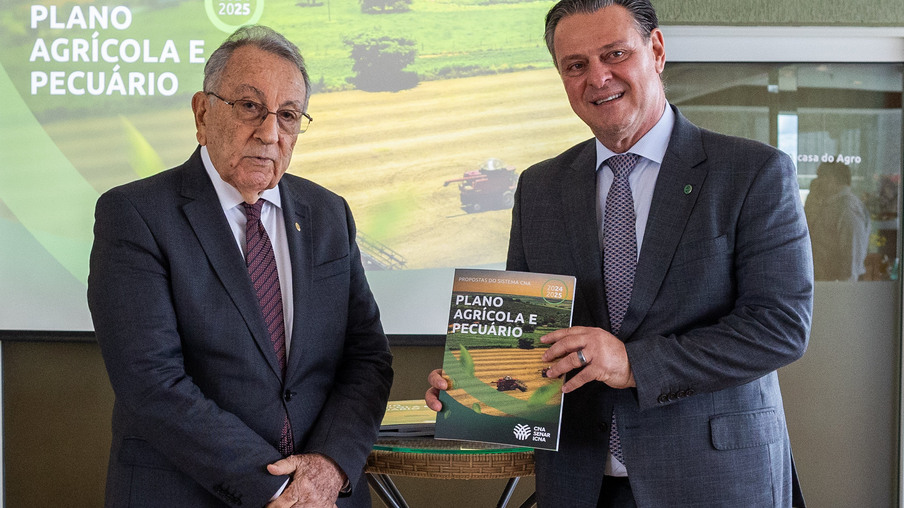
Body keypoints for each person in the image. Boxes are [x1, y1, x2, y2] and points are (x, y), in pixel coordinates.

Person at [426, 0, 812, 506]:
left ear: (656, 50)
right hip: (580, 482)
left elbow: (779, 327)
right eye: (576, 65)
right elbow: (527, 338)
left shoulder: (753, 172)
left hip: (713, 478)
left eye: (614, 54)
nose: (598, 78)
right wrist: (472, 384)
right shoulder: (539, 187)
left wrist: (633, 363)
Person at [88, 25, 393, 508]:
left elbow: (367, 360)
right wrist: (278, 488)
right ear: (202, 112)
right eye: (250, 106)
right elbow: (152, 382)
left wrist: (329, 468)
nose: (269, 133)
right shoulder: (136, 215)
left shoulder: (330, 215)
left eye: (289, 115)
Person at [806, 161, 871, 281]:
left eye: (820, 177)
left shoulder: (847, 208)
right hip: (827, 284)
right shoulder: (830, 205)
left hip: (839, 286)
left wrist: (844, 289)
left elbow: (852, 255)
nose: (816, 182)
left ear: (831, 179)